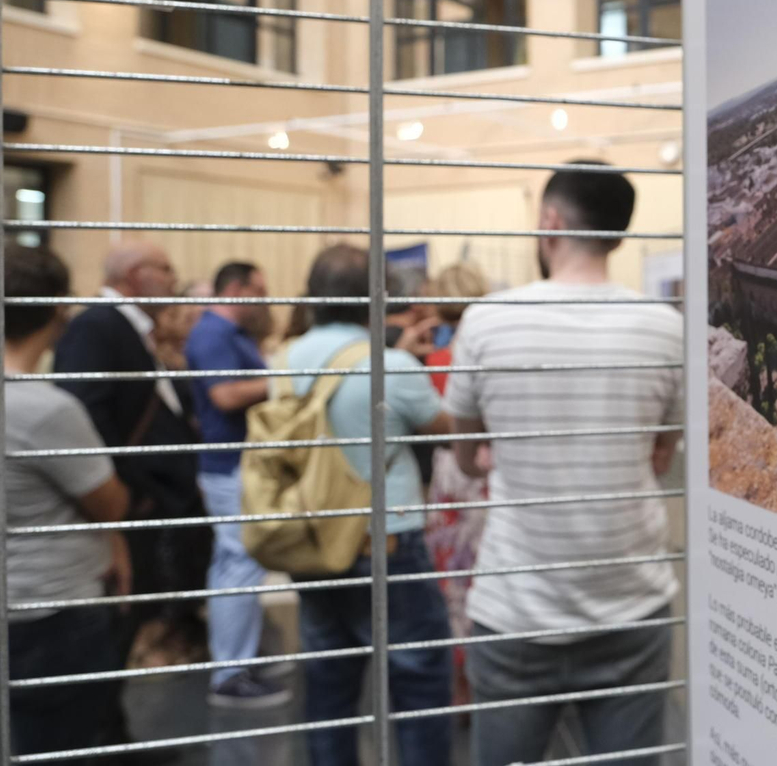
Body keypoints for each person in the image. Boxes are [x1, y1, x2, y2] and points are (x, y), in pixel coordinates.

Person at [445, 164, 683, 766]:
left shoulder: (486, 320)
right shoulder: (665, 327)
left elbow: (467, 459)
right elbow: (660, 457)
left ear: (550, 221)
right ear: (617, 235)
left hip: (516, 610)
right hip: (632, 603)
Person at [0, 245, 133, 757]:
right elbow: (111, 505)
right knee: (55, 744)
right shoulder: (47, 410)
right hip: (52, 612)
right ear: (59, 309)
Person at [285, 244, 453, 766]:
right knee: (419, 687)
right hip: (387, 542)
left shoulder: (283, 360)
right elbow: (445, 429)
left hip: (314, 540)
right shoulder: (391, 365)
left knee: (328, 691)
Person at [54, 241, 211, 676]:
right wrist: (125, 490)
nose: (174, 278)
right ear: (137, 275)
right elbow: (85, 413)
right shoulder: (98, 326)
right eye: (165, 268)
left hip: (143, 496)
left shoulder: (123, 326)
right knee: (118, 625)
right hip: (125, 501)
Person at [183, 261, 290, 708]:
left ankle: (237, 658)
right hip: (229, 465)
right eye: (258, 291)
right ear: (235, 289)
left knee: (235, 561)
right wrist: (286, 378)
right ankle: (230, 673)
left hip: (234, 464)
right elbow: (225, 395)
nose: (263, 300)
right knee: (238, 562)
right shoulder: (213, 334)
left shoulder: (228, 334)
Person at [421, 263, 492, 706]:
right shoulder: (490, 354)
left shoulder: (435, 361)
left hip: (448, 471)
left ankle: (460, 683)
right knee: (489, 570)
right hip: (487, 468)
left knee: (451, 578)